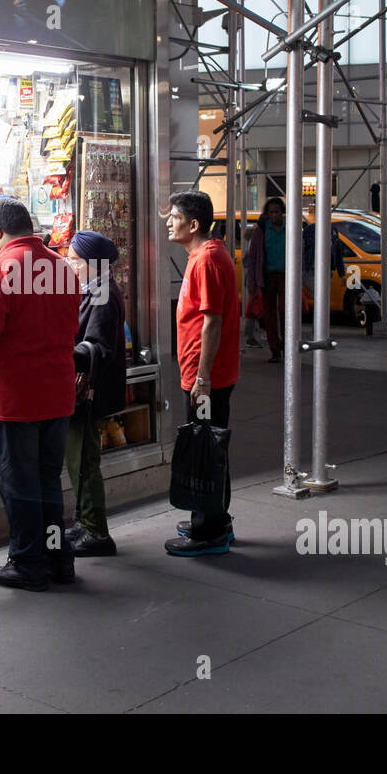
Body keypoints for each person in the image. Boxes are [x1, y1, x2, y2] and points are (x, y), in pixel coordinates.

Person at [0, 198, 81, 590]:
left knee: (19, 484)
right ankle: (57, 558)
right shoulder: (63, 267)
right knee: (48, 480)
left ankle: (28, 562)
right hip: (57, 394)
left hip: (13, 398)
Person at [165, 191, 240, 556]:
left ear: (193, 225)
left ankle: (207, 530)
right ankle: (216, 520)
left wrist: (203, 378)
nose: (168, 222)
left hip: (206, 377)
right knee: (210, 447)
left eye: (174, 216)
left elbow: (212, 321)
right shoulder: (206, 255)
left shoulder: (206, 260)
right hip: (205, 374)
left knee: (203, 451)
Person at [62, 231, 126, 557]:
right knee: (77, 461)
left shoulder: (103, 296)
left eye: (75, 260)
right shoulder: (91, 291)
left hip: (89, 393)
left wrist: (62, 351)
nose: (69, 264)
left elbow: (98, 348)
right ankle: (83, 522)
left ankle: (97, 533)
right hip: (82, 392)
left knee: (84, 461)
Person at [243, 197, 287, 362]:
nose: (274, 215)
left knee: (285, 312)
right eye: (271, 212)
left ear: (282, 213)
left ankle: (286, 344)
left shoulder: (289, 228)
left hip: (285, 276)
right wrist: (253, 282)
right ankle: (275, 349)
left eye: (277, 212)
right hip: (267, 276)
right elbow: (253, 256)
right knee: (269, 315)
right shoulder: (262, 230)